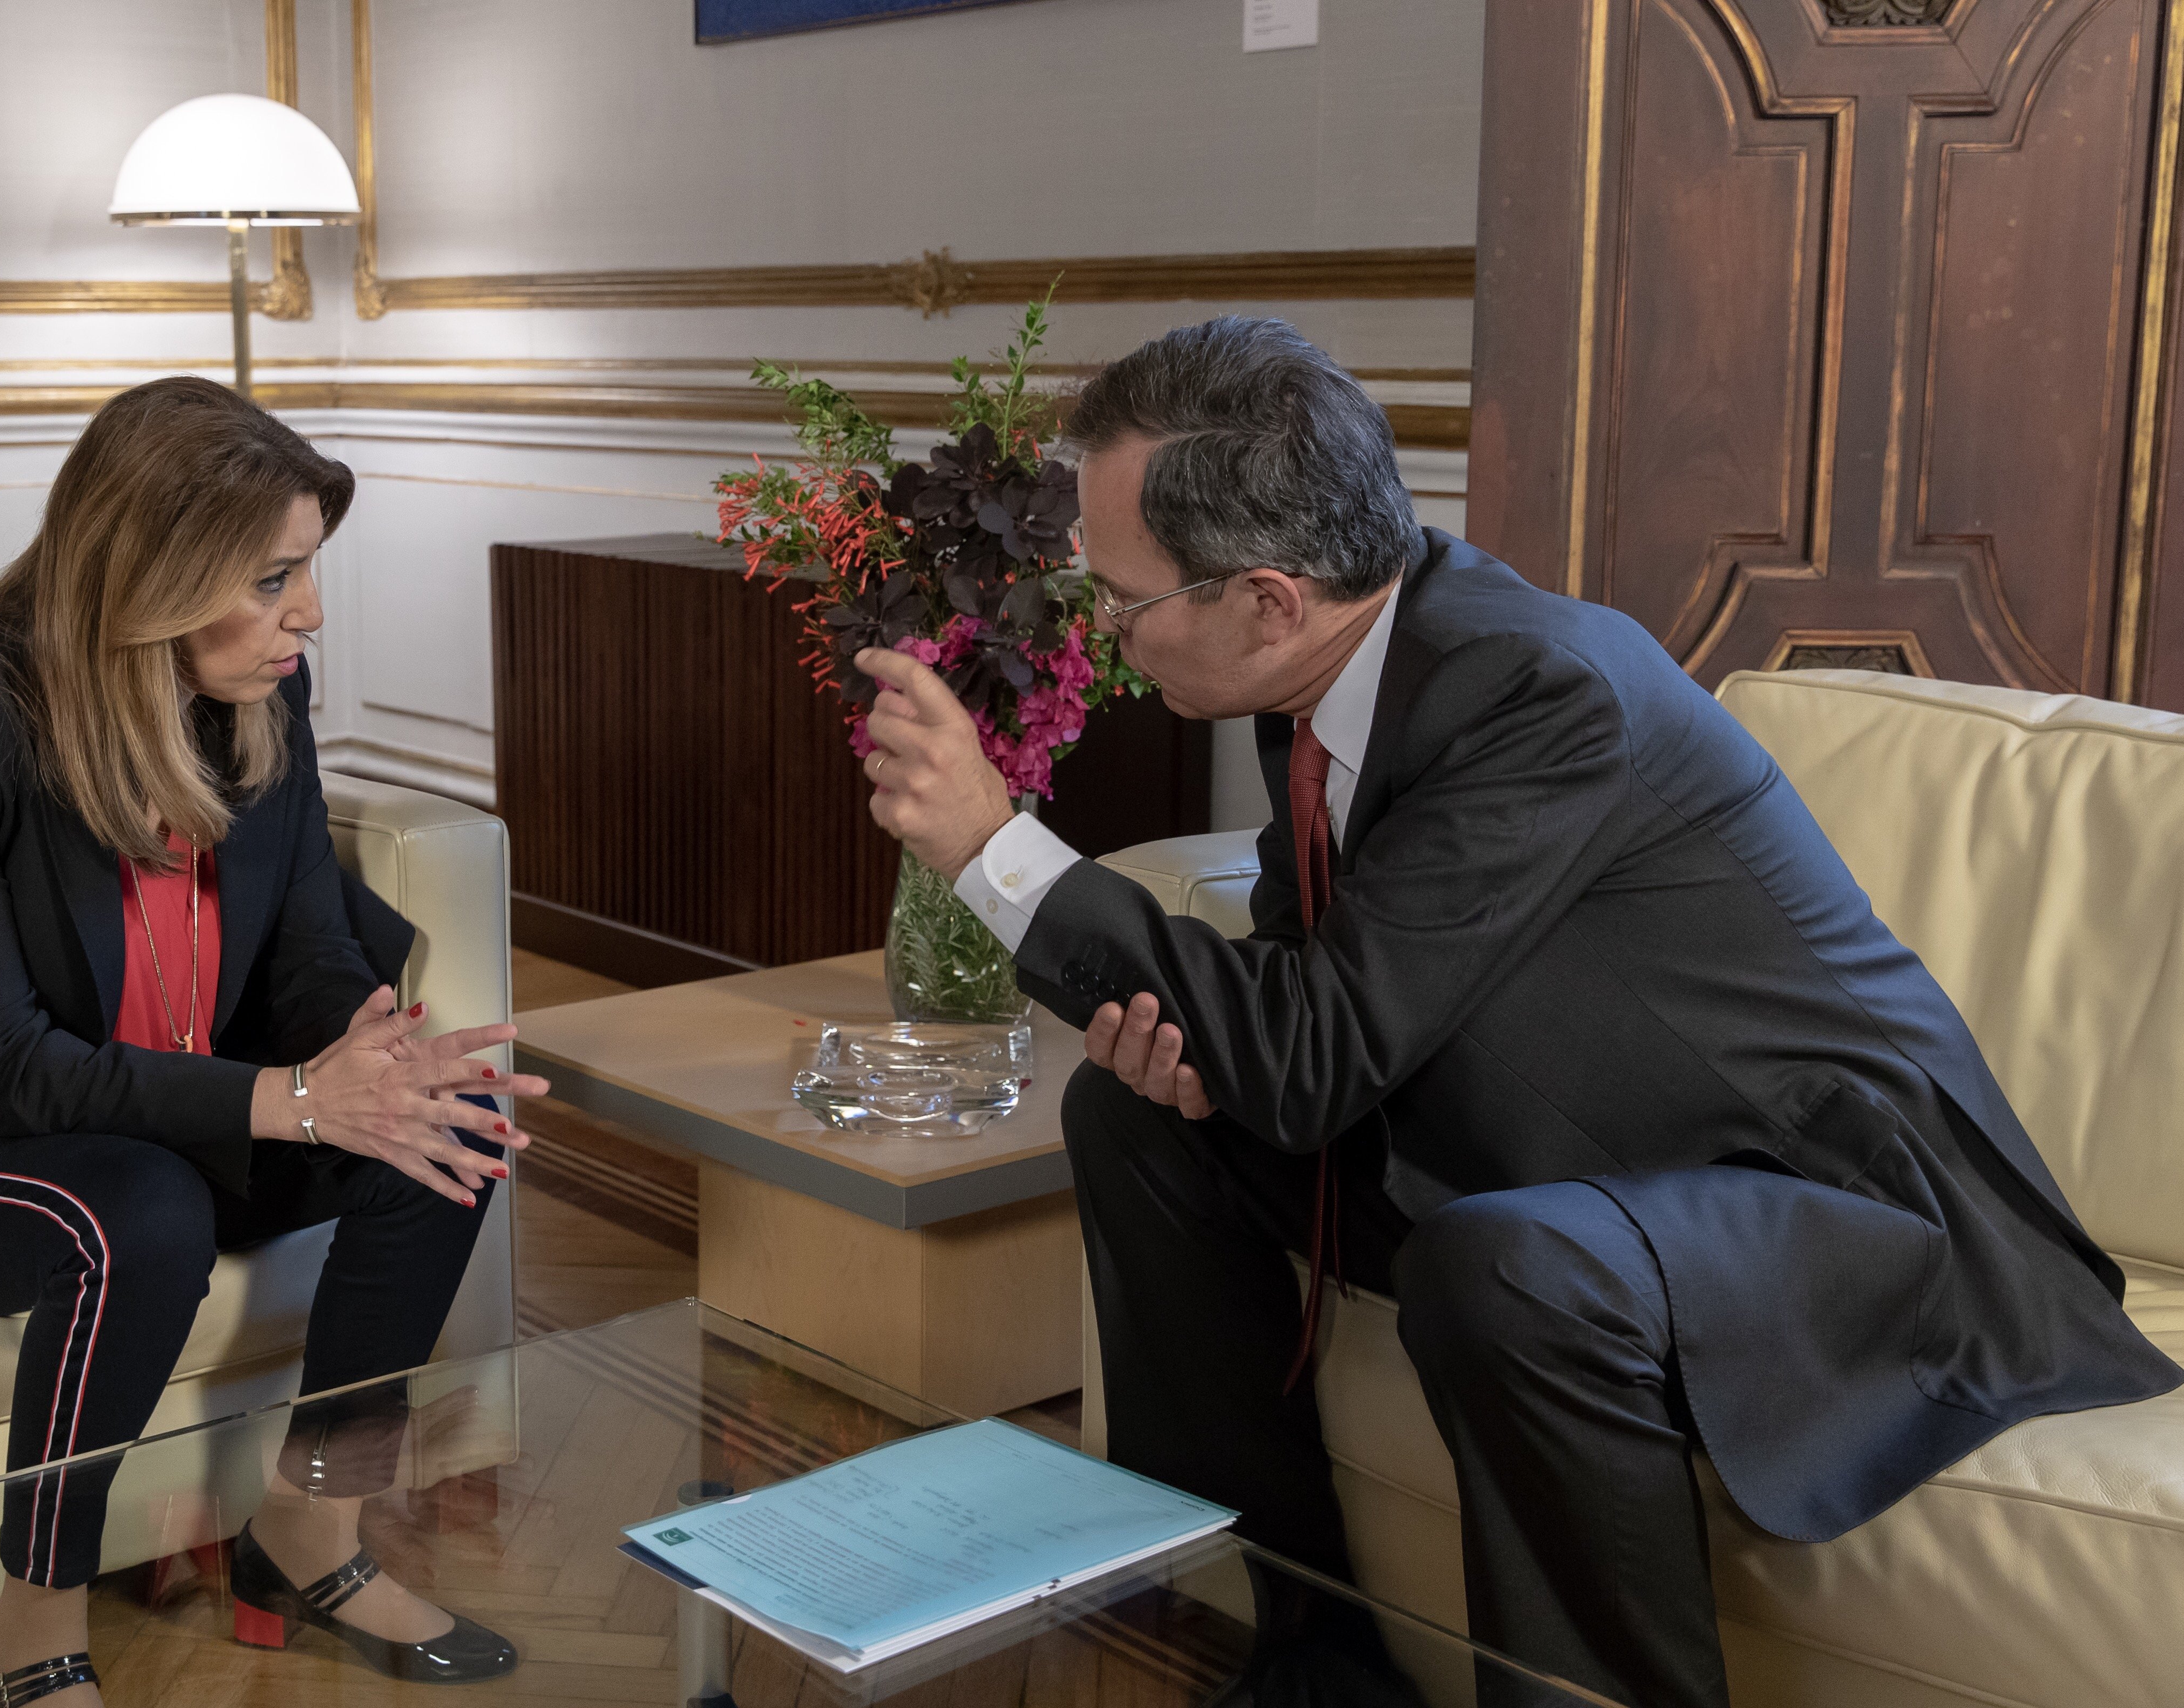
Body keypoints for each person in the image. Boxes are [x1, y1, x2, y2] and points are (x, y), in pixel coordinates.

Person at [851, 317, 2182, 1706]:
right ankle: (1310, 1670)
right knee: (1139, 1121)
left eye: (1122, 602)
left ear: (1265, 597)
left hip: (1843, 1214)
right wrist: (1202, 1057)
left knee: (1499, 1268)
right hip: (1611, 1168)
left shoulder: (1530, 686)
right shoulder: (1329, 686)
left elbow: (1309, 1056)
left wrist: (996, 851)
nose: (1109, 637)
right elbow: (1307, 1024)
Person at [0, 377, 543, 1706]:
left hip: (160, 1096)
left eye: (306, 573)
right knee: (139, 1212)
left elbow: (311, 947)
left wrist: (366, 1060)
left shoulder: (265, 689)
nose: (308, 616)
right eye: (272, 580)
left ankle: (308, 1525)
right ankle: (33, 1622)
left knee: (454, 1123)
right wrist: (296, 1102)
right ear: (147, 571)